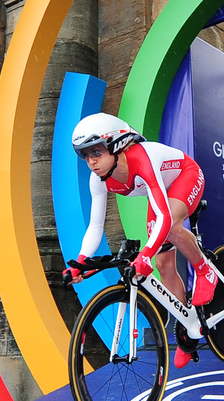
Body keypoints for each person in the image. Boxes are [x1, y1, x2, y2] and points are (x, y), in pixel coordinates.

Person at [64, 112, 215, 369]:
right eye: (85, 154)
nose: (91, 161)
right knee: (163, 265)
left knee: (168, 229)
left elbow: (165, 217)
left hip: (185, 176)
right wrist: (80, 262)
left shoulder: (141, 159)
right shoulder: (98, 179)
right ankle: (187, 327)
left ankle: (205, 270)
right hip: (159, 190)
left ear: (115, 145)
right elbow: (96, 226)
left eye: (96, 152)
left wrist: (143, 254)